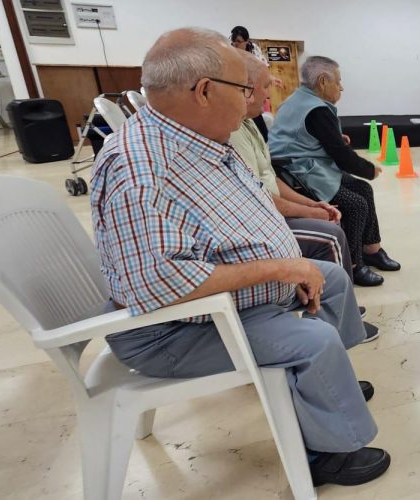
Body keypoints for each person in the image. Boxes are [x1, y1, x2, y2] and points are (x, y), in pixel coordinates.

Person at [89, 28, 390, 487]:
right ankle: (329, 452)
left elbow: (255, 199)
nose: (256, 99)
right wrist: (283, 267)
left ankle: (330, 389)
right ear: (205, 91)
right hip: (177, 330)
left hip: (221, 306)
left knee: (330, 278)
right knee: (314, 342)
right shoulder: (142, 168)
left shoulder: (194, 139)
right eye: (245, 89)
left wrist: (292, 258)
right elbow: (159, 286)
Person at [269, 56, 402, 287]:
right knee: (354, 204)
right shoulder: (317, 110)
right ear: (322, 81)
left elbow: (305, 135)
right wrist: (369, 168)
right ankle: (352, 265)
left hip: (307, 164)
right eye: (338, 81)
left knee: (363, 189)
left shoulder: (298, 99)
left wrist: (333, 137)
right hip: (298, 173)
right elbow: (340, 153)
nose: (341, 87)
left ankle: (371, 249)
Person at [230, 51, 356, 273]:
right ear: (245, 90)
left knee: (356, 195)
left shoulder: (251, 123)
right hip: (284, 190)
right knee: (337, 227)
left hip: (288, 186)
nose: (269, 96)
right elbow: (256, 195)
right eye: (266, 86)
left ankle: (365, 257)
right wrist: (311, 211)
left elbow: (270, 179)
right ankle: (351, 274)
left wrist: (312, 205)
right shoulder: (234, 132)